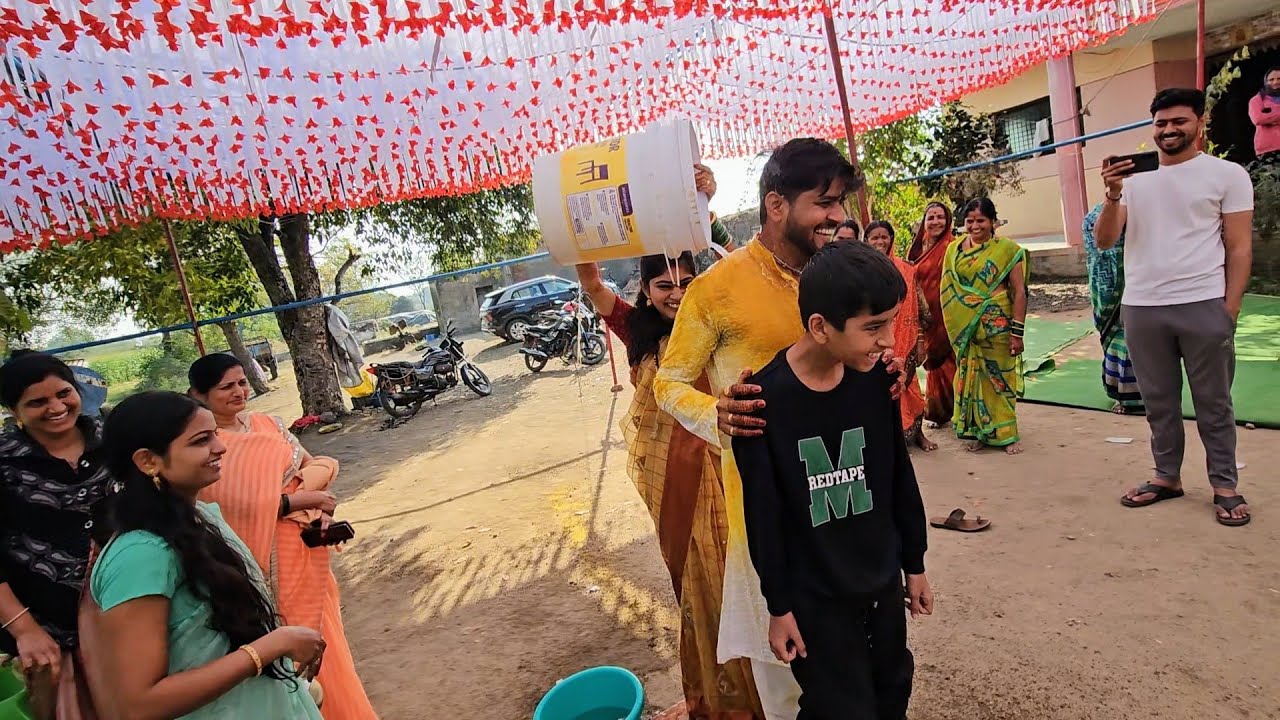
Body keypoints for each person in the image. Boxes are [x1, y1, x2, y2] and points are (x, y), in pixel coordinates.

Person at [653, 137, 871, 719]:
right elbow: (668, 383)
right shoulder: (715, 290)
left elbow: (857, 355)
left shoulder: (840, 276)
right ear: (777, 205)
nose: (838, 216)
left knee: (858, 656)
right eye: (824, 202)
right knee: (786, 681)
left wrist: (881, 373)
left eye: (841, 202)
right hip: (769, 515)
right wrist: (717, 414)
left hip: (847, 496)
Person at [733, 240, 931, 720]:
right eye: (874, 327)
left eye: (891, 322)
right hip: (815, 599)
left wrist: (914, 563)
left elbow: (898, 478)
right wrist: (778, 606)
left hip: (882, 583)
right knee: (839, 708)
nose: (889, 341)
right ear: (821, 327)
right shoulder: (758, 406)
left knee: (892, 690)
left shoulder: (876, 381)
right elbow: (763, 516)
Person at [576, 249, 764, 718]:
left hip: (728, 470)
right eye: (664, 285)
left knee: (746, 574)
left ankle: (766, 690)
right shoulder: (636, 329)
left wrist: (707, 220)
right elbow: (593, 284)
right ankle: (724, 698)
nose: (677, 294)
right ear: (645, 289)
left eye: (687, 282)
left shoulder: (715, 321)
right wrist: (581, 231)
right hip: (678, 488)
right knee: (703, 586)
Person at [91, 390, 324, 719]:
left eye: (215, 434)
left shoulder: (202, 517)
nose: (221, 447)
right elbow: (139, 704)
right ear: (148, 461)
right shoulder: (139, 555)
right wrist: (271, 647)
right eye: (201, 440)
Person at [1095, 88, 1254, 526]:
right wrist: (1112, 195)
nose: (1169, 130)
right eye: (1161, 123)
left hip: (1204, 303)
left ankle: (1225, 485)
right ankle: (1167, 477)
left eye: (1179, 121)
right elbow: (1105, 241)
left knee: (1214, 403)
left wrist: (1230, 308)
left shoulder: (1227, 175)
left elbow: (1239, 247)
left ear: (1200, 123)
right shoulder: (1134, 181)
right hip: (1142, 307)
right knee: (1158, 402)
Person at [188, 354, 379, 718]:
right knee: (292, 645)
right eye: (226, 387)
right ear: (198, 394)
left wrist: (317, 506)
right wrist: (299, 499)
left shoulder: (268, 424)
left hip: (305, 548)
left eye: (242, 383)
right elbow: (227, 503)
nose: (239, 392)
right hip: (261, 562)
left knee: (327, 640)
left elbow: (313, 464)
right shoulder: (206, 445)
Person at [0, 352, 113, 718]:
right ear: (14, 410)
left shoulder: (114, 440)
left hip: (129, 615)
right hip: (49, 633)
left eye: (64, 393)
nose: (56, 407)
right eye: (37, 402)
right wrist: (25, 630)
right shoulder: (5, 462)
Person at [940, 198, 1028, 455]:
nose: (975, 226)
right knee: (973, 376)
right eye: (970, 221)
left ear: (992, 222)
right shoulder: (954, 250)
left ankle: (1006, 433)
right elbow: (948, 290)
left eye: (981, 220)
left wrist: (1017, 332)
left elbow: (1019, 292)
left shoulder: (1008, 250)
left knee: (1000, 379)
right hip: (967, 326)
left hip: (998, 324)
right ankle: (981, 431)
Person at [864, 221, 936, 451]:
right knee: (880, 390)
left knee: (911, 387)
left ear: (892, 239)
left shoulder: (906, 269)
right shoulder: (861, 270)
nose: (880, 241)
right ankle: (889, 440)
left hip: (905, 340)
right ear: (866, 241)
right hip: (874, 342)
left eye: (884, 237)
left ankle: (918, 434)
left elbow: (919, 308)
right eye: (874, 237)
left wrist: (921, 340)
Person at [1081, 203, 1144, 414]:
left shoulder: (1142, 211)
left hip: (1136, 283)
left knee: (1135, 338)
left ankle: (1139, 397)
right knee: (1120, 337)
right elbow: (1097, 253)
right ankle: (1127, 397)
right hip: (1107, 286)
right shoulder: (1097, 216)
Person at [906, 202, 958, 427]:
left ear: (948, 221)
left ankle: (955, 412)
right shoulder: (918, 248)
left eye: (940, 217)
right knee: (932, 363)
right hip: (926, 316)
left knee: (949, 363)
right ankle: (936, 411)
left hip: (949, 315)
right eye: (931, 217)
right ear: (924, 222)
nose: (936, 221)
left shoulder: (954, 246)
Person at [1248, 66, 1280, 162]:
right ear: (1265, 82)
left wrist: (1270, 118)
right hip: (1268, 150)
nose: (1275, 82)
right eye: (1271, 79)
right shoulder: (1256, 100)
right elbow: (1258, 119)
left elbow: (1264, 118)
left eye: (1279, 79)